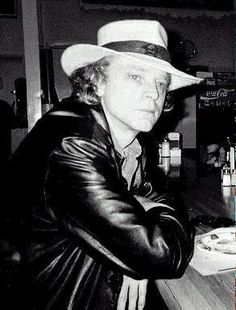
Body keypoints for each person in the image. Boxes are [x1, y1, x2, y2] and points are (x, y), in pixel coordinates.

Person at [9, 20, 202, 310]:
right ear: (97, 81)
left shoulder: (127, 138)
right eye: (136, 77)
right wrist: (139, 252)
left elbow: (160, 192)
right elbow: (163, 254)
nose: (153, 93)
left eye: (160, 83)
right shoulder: (72, 144)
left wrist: (136, 250)